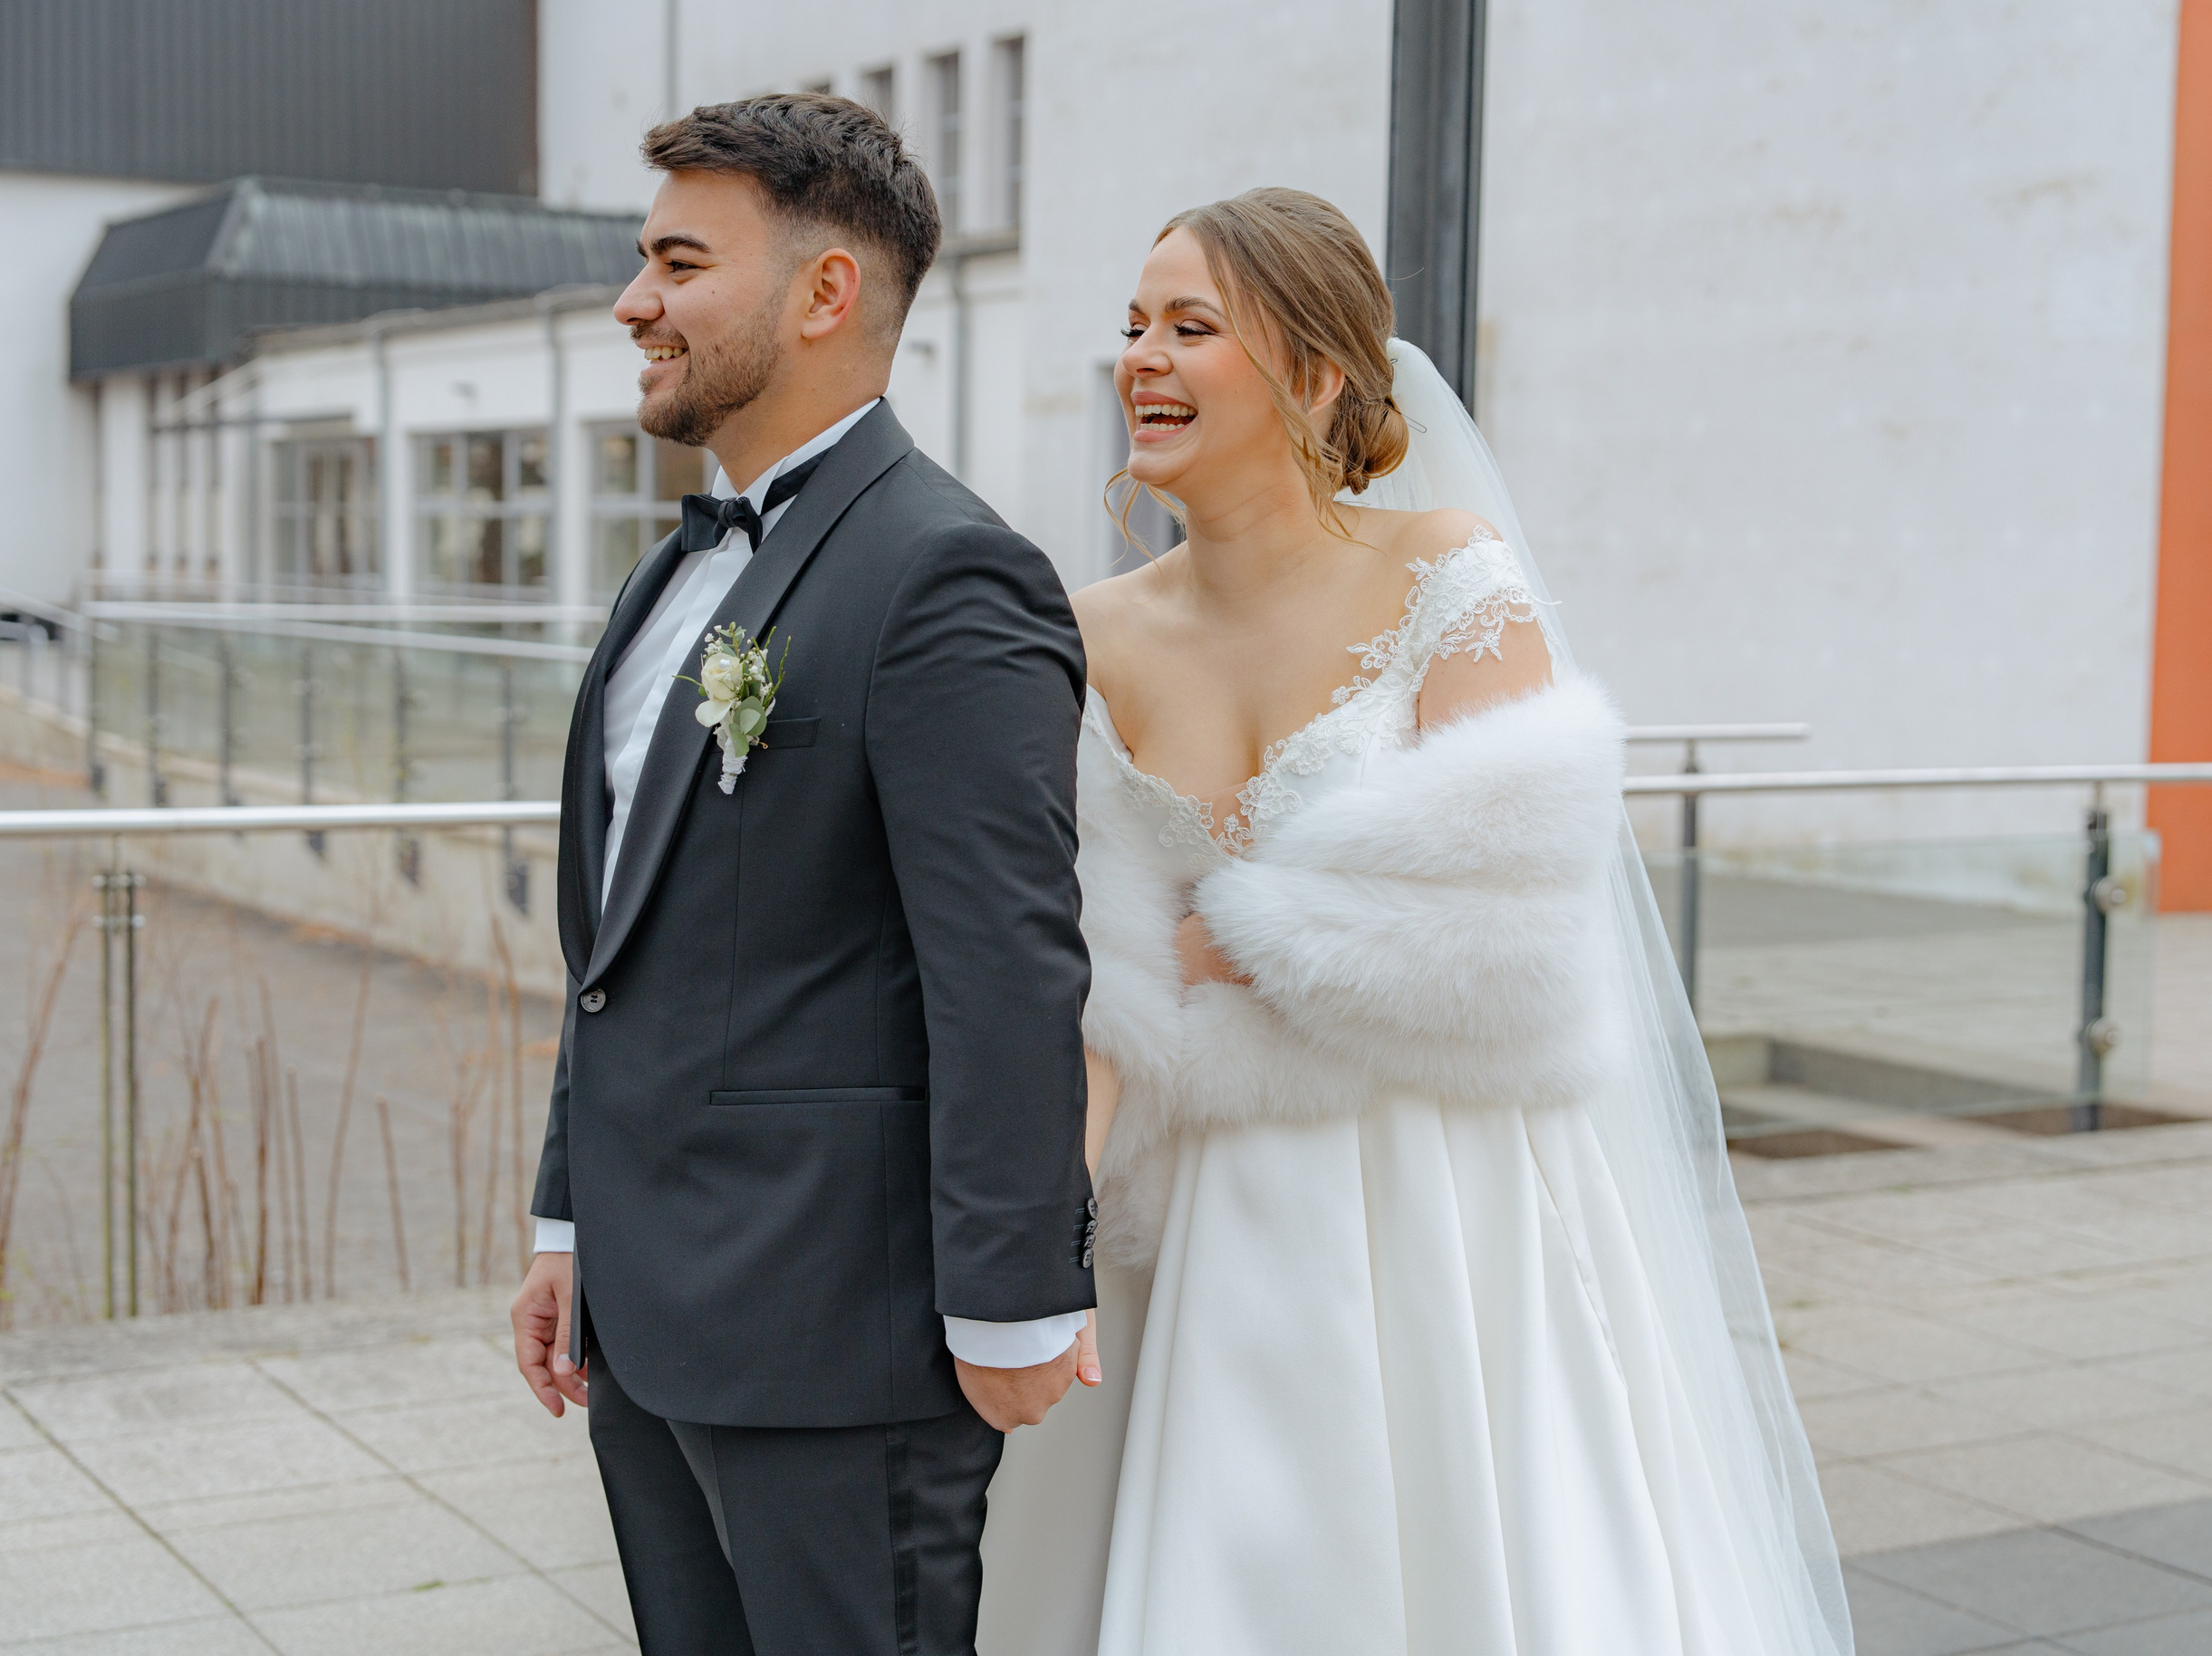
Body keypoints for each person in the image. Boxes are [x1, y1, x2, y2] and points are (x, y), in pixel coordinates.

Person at [978, 188, 1854, 1655]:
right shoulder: (1086, 630)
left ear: (1320, 372)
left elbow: (1517, 950)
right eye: (1135, 324)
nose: (1142, 355)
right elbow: (1080, 977)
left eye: (1193, 327)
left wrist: (1222, 938)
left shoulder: (1448, 579)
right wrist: (1038, 1251)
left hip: (1435, 1208)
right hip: (1177, 1228)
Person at [508, 95, 1101, 1656]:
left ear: (824, 295)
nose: (635, 301)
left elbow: (1010, 964)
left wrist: (1017, 1296)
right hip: (646, 1319)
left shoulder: (947, 572)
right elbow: (621, 941)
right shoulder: (667, 572)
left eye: (679, 262)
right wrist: (570, 1223)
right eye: (643, 261)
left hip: (837, 1341)